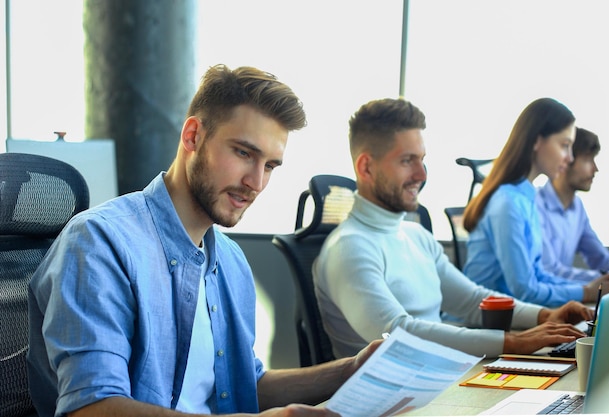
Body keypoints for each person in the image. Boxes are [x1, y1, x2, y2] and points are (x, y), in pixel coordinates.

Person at [27, 64, 381, 417]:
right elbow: (91, 409)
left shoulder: (230, 260)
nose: (256, 182)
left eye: (270, 165)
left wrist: (349, 371)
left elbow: (245, 384)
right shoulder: (99, 243)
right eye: (244, 153)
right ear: (193, 136)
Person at [312, 97, 592, 360]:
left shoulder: (417, 236)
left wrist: (544, 316)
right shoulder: (349, 247)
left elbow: (472, 300)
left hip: (440, 381)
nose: (422, 175)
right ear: (366, 168)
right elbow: (398, 332)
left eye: (422, 159)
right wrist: (514, 342)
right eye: (407, 160)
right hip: (390, 406)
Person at [462, 98, 609, 307]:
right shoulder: (508, 203)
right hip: (481, 322)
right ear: (537, 141)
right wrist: (587, 292)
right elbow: (525, 289)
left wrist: (592, 287)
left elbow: (539, 274)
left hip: (509, 316)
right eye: (564, 146)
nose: (569, 157)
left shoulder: (526, 198)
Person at [536, 127, 609, 282]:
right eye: (588, 160)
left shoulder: (577, 208)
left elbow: (601, 258)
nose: (595, 169)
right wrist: (607, 278)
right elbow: (549, 270)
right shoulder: (536, 204)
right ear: (566, 160)